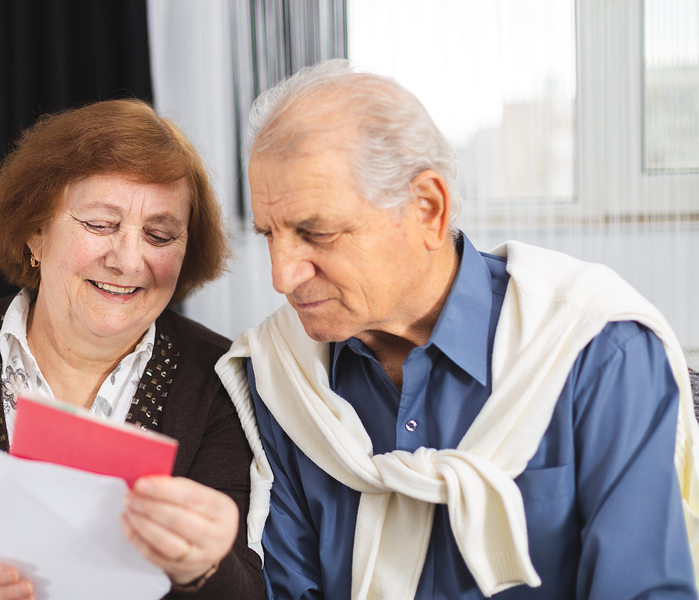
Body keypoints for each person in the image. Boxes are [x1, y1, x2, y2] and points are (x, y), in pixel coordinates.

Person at [216, 59, 699, 599]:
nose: (282, 275)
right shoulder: (282, 373)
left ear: (428, 208)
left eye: (317, 232)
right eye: (269, 235)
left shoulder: (598, 351)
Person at [0, 99, 264, 600]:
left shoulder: (220, 379)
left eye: (159, 234)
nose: (128, 260)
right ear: (36, 232)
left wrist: (201, 571)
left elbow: (247, 589)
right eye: (101, 224)